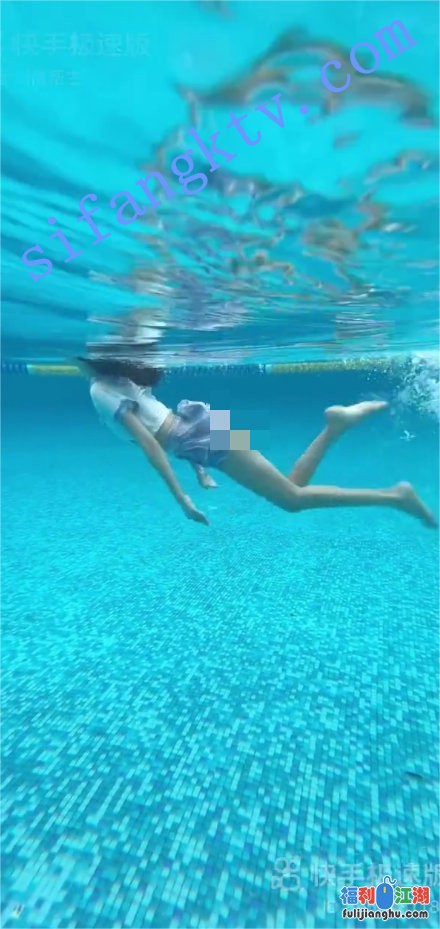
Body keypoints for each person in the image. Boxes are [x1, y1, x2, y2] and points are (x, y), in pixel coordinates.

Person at [76, 357, 437, 529]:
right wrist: (199, 470)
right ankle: (336, 425)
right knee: (292, 489)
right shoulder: (112, 382)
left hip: (200, 435)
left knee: (291, 499)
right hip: (199, 429)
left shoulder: (101, 390)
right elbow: (161, 424)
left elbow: (152, 443)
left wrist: (182, 498)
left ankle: (396, 496)